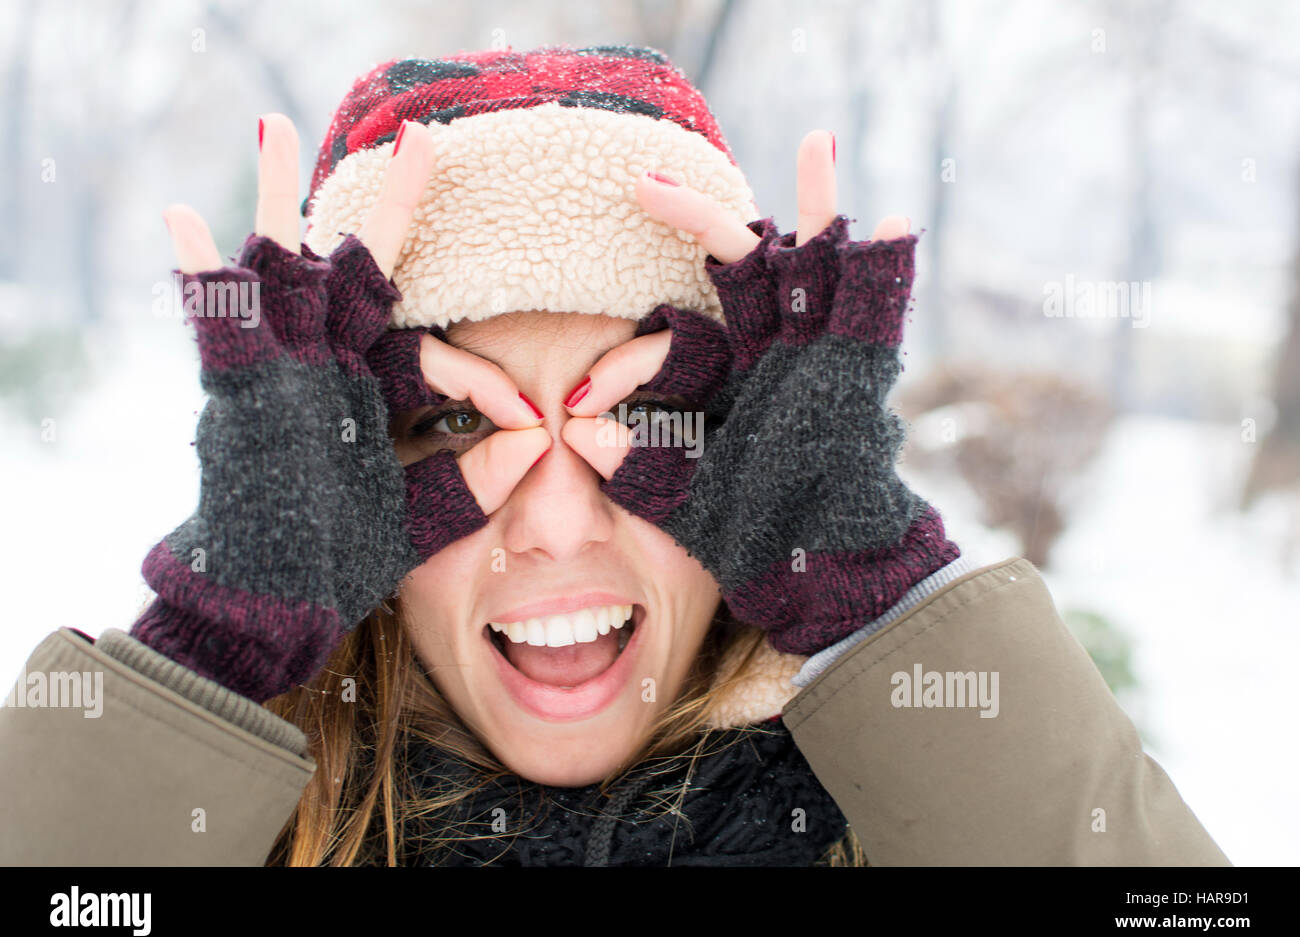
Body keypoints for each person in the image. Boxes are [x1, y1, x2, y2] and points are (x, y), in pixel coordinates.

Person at [0, 44, 1229, 866]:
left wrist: (879, 600)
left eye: (642, 424)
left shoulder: (905, 818)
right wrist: (211, 663)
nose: (553, 523)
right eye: (456, 425)